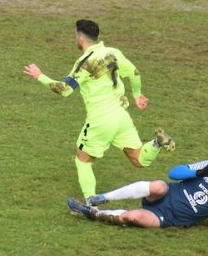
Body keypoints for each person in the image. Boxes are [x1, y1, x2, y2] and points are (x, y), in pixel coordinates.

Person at [23, 19, 175, 200]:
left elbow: (64, 90)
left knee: (82, 159)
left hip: (101, 120)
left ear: (80, 39)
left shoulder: (86, 63)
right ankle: (157, 142)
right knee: (139, 159)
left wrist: (40, 76)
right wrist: (137, 94)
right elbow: (134, 72)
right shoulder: (113, 53)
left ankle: (90, 204)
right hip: (121, 117)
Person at [67, 153, 208, 234]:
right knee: (159, 185)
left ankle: (91, 212)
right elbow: (174, 173)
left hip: (167, 218)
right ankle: (102, 198)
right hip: (164, 195)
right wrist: (198, 173)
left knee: (133, 216)